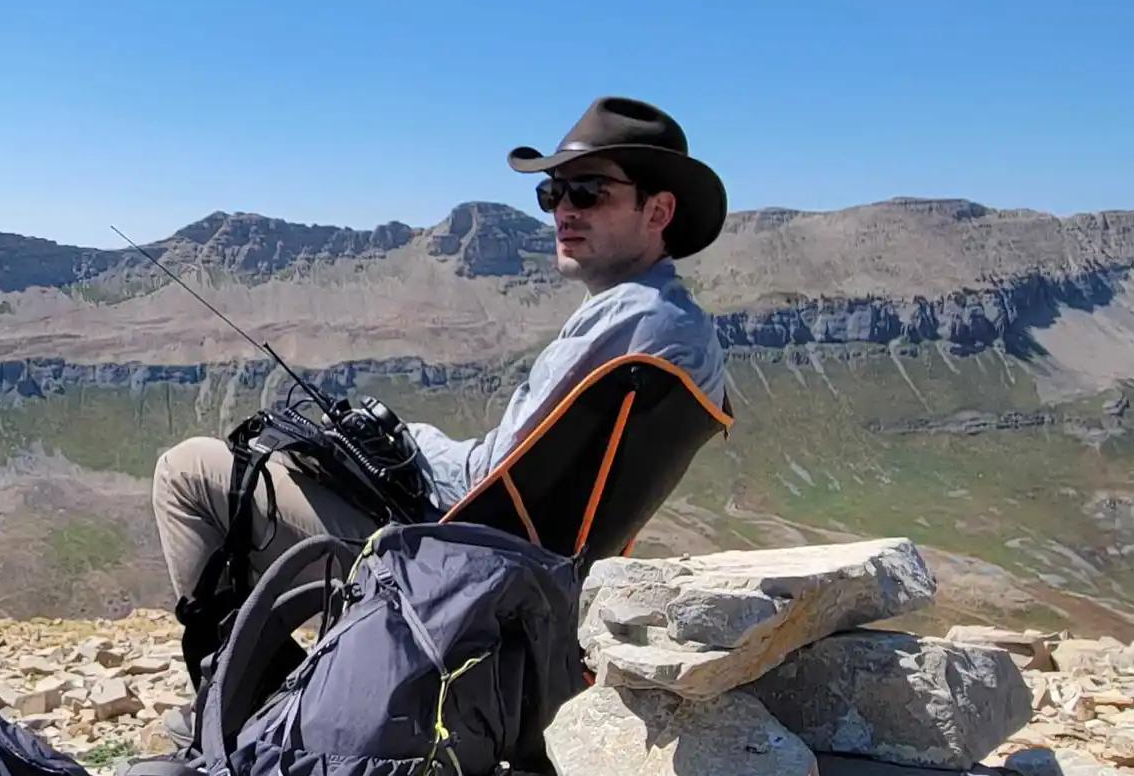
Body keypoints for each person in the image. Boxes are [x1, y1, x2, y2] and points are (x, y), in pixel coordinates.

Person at [151, 95, 729, 611]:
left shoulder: (628, 319)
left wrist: (413, 443)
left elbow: (488, 482)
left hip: (452, 576)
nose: (562, 211)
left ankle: (227, 708)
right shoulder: (684, 325)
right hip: (516, 575)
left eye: (587, 192)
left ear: (657, 212)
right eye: (552, 192)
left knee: (189, 471)